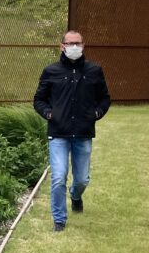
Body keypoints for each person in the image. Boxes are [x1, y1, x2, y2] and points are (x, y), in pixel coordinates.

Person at [32, 29, 111, 232]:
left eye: (78, 43)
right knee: (58, 177)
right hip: (58, 133)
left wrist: (96, 113)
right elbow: (39, 100)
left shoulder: (94, 71)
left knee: (82, 179)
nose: (74, 47)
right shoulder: (51, 71)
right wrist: (49, 114)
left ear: (83, 46)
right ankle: (59, 220)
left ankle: (76, 195)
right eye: (70, 43)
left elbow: (104, 98)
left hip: (83, 133)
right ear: (62, 46)